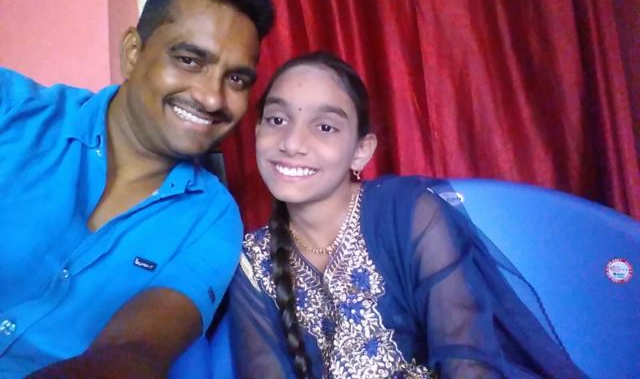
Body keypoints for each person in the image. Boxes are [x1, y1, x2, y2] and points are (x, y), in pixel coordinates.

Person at [228, 51, 586, 378]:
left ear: (361, 151)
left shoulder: (409, 214)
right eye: (277, 119)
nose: (292, 143)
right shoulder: (252, 262)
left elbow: (467, 360)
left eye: (325, 127)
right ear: (258, 131)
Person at [0, 0, 274, 378]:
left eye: (236, 79)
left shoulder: (211, 219)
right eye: (189, 60)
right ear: (133, 51)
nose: (212, 98)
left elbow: (138, 350)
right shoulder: (14, 112)